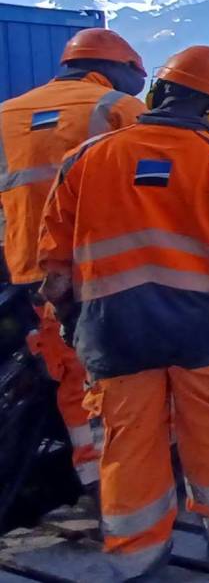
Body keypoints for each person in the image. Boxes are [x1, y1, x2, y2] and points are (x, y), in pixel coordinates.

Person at [38, 45, 209, 581]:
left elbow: (54, 265)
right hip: (204, 330)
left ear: (157, 94)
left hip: (113, 331)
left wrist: (73, 317)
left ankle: (138, 554)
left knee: (127, 440)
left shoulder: (85, 159)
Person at [0, 28, 147, 491]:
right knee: (128, 374)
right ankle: (137, 473)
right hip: (111, 268)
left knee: (72, 373)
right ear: (115, 71)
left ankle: (93, 474)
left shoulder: (5, 115)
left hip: (36, 272)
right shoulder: (119, 110)